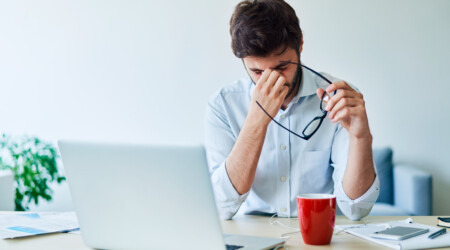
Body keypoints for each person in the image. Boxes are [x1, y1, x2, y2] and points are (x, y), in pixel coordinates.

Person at [204, 0, 379, 220]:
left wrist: (361, 137)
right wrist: (256, 122)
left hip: (317, 235)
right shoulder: (223, 105)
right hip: (252, 236)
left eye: (281, 67)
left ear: (300, 45)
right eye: (257, 71)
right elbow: (221, 207)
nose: (272, 81)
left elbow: (356, 210)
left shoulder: (339, 98)